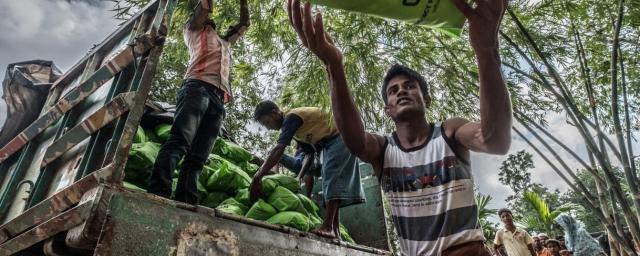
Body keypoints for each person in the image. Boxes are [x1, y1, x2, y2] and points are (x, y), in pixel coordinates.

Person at [286, 0, 511, 254]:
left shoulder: (450, 132)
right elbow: (354, 140)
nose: (401, 91)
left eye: (409, 86)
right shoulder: (384, 151)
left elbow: (495, 141)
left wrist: (485, 48)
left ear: (426, 100)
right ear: (388, 110)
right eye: (393, 91)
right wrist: (333, 65)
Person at [147, 0, 250, 204]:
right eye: (207, 18)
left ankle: (186, 199)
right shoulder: (193, 30)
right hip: (197, 88)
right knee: (179, 142)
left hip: (219, 99)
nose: (211, 19)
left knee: (199, 156)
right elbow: (204, 6)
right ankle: (158, 192)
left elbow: (245, 23)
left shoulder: (226, 43)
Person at [249, 101, 365, 239]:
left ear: (275, 113)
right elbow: (309, 154)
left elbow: (279, 149)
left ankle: (328, 226)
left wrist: (258, 176)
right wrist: (299, 177)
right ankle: (335, 229)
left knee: (331, 176)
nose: (268, 128)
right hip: (329, 143)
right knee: (330, 180)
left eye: (267, 122)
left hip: (341, 135)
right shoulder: (297, 129)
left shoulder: (291, 118)